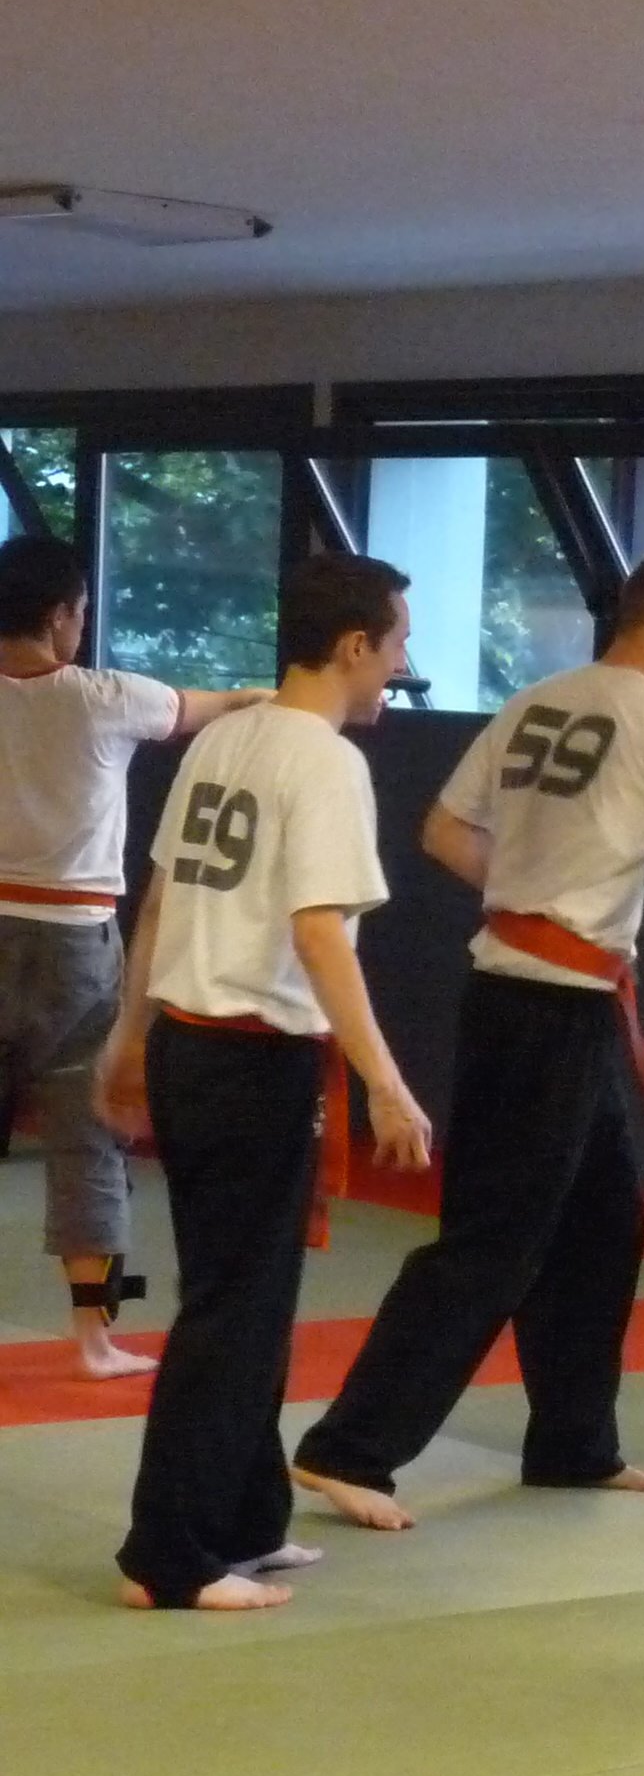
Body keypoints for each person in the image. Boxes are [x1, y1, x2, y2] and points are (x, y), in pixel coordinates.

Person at [287, 548, 644, 1532]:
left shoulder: (535, 701)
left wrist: (532, 900)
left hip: (531, 994)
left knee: (605, 1225)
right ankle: (350, 1446)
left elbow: (445, 832)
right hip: (548, 1007)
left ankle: (574, 1442)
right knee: (493, 1243)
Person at [97, 556, 436, 1610]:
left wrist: (130, 1035)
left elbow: (161, 897)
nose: (401, 665)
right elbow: (318, 930)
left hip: (191, 1045)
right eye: (397, 643)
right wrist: (385, 1079)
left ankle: (245, 1518)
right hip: (251, 1057)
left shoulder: (228, 736)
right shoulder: (324, 762)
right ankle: (169, 1554)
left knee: (248, 1295)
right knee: (233, 1308)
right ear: (353, 646)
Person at [0, 531, 263, 1377]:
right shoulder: (104, 698)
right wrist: (276, 696)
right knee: (89, 1143)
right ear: (60, 615)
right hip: (75, 941)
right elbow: (210, 705)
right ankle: (95, 1339)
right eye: (80, 612)